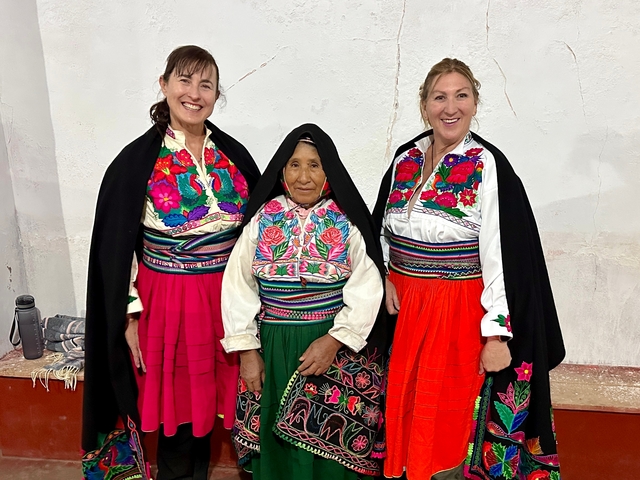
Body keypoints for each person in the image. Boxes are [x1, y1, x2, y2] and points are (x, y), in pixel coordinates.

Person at [372, 58, 565, 479]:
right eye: (439, 97)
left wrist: (496, 334)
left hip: (457, 310)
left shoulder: (486, 165)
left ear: (475, 103)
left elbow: (500, 255)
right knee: (403, 409)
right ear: (424, 106)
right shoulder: (406, 159)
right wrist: (384, 272)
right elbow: (381, 229)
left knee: (451, 421)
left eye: (462, 96)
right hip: (405, 311)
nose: (450, 107)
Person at [82, 45, 261, 480]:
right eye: (184, 80)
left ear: (218, 94)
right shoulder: (136, 163)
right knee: (179, 413)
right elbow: (116, 246)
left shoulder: (233, 157)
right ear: (163, 86)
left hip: (226, 299)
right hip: (168, 299)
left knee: (220, 402)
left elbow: (261, 227)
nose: (195, 94)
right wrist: (127, 315)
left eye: (207, 85)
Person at [221, 124, 388, 479]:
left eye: (314, 165)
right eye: (294, 165)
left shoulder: (346, 222)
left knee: (325, 449)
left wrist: (333, 341)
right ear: (282, 171)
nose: (304, 176)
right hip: (273, 345)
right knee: (278, 446)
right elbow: (238, 286)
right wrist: (248, 352)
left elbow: (366, 288)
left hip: (328, 347)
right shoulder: (262, 220)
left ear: (329, 171)